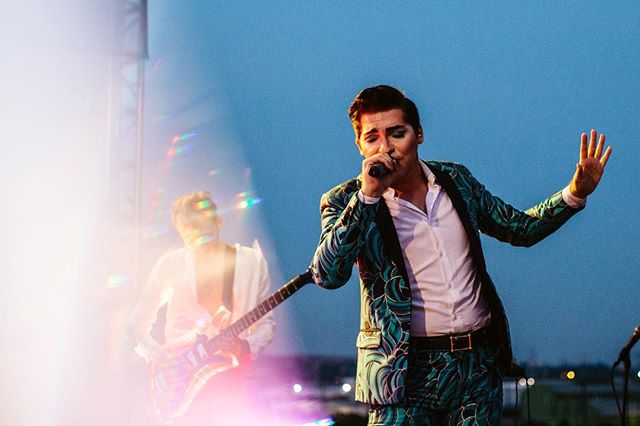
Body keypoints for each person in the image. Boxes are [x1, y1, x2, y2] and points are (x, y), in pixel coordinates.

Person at [311, 85, 611, 425]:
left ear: (418, 134)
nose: (387, 148)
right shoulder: (344, 200)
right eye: (373, 138)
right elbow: (328, 274)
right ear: (360, 145)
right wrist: (367, 198)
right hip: (402, 372)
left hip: (476, 366)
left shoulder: (455, 180)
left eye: (397, 133)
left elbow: (519, 228)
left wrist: (574, 194)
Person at [131, 191, 275, 425]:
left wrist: (245, 345)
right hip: (179, 379)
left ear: (218, 222)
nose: (195, 232)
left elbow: (266, 324)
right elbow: (138, 320)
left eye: (201, 224)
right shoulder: (170, 264)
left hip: (233, 378)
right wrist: (160, 356)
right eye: (187, 227)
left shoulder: (250, 262)